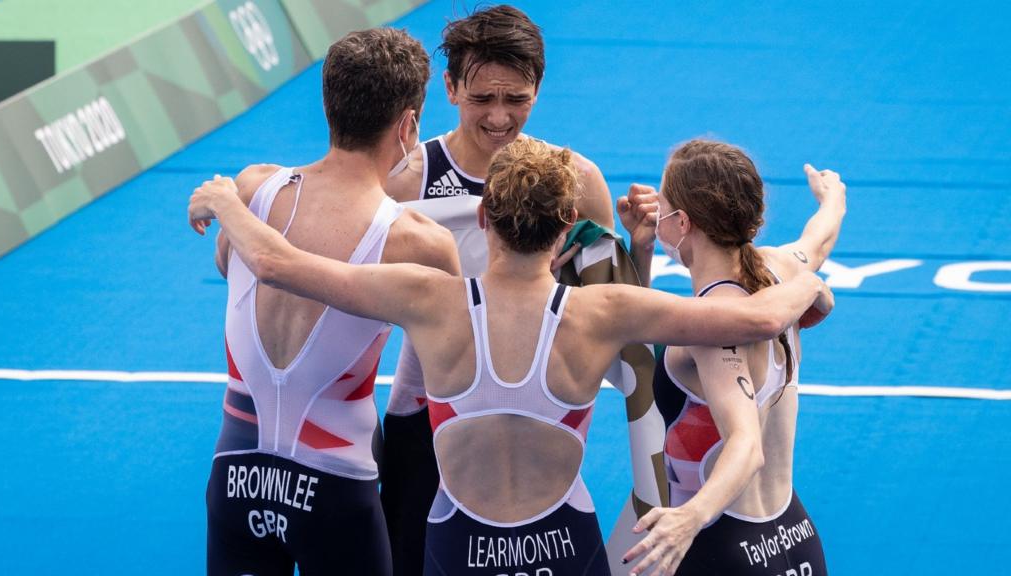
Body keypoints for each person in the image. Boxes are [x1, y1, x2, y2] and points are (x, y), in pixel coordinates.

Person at [189, 138, 833, 576]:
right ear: (563, 234)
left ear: (484, 221)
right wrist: (805, 281)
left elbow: (277, 263)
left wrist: (225, 202)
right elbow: (760, 315)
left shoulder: (426, 300)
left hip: (458, 543)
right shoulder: (603, 311)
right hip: (565, 539)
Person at [199, 28, 459, 576]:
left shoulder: (251, 191)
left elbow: (230, 268)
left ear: (327, 105)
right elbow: (456, 373)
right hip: (337, 487)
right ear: (409, 125)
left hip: (235, 476)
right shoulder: (417, 240)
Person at [379, 6, 630, 573]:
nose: (499, 117)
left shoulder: (575, 180)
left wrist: (640, 245)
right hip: (428, 414)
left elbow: (615, 304)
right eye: (482, 99)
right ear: (448, 88)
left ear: (538, 89)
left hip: (535, 418)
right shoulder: (408, 178)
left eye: (515, 98)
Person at [619, 139, 846, 575]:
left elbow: (746, 444)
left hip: (722, 551)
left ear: (682, 222)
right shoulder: (782, 269)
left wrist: (690, 517)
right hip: (795, 539)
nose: (657, 211)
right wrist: (832, 197)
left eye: (664, 204)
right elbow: (820, 235)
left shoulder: (709, 326)